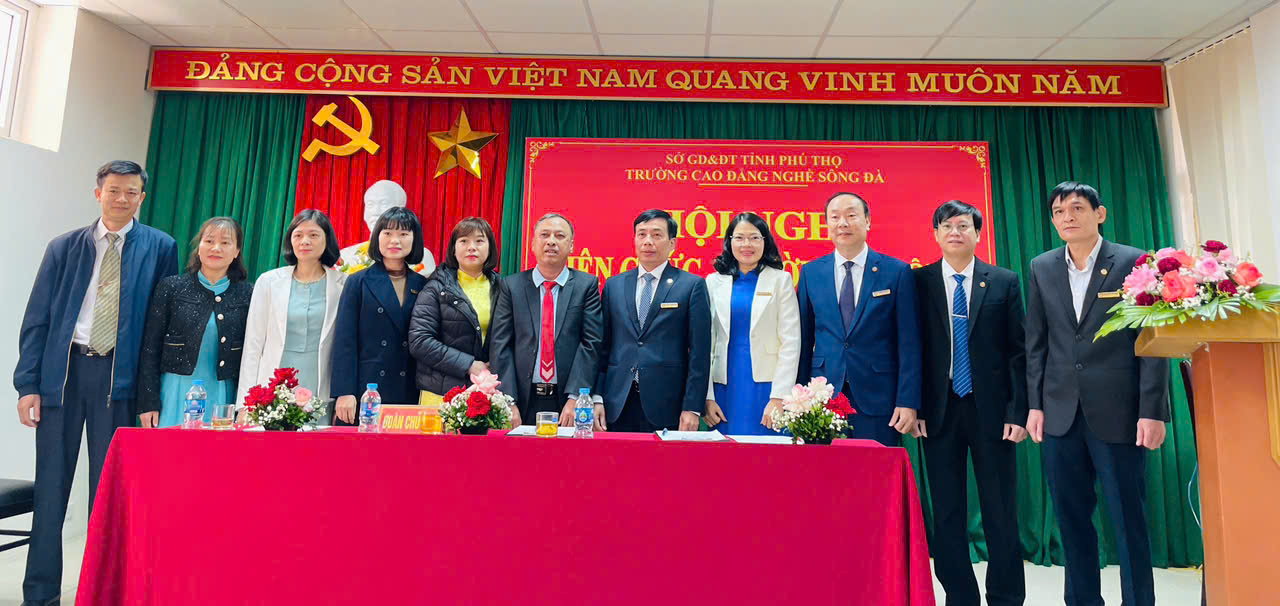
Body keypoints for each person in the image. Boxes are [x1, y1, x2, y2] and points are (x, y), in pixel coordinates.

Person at [13, 160, 178, 605]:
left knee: (108, 497)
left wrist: (149, 392)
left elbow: (159, 327)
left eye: (131, 192)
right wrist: (28, 385)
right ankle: (40, 595)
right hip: (63, 377)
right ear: (98, 193)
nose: (122, 198)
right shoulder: (64, 247)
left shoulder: (161, 247)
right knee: (51, 492)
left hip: (119, 381)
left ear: (142, 197)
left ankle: (101, 593)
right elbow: (37, 319)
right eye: (114, 190)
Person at [1025, 181, 1170, 606]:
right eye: (1058, 212)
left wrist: (1152, 410)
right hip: (1060, 412)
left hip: (1120, 412)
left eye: (1076, 208)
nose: (1067, 217)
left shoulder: (1133, 261)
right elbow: (1037, 342)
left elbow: (1151, 339)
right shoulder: (1042, 266)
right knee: (1071, 520)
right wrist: (1035, 405)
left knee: (1128, 518)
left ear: (1099, 214)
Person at [913, 201, 1027, 606]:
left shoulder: (1003, 281)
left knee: (1000, 509)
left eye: (963, 226)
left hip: (992, 412)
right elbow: (913, 349)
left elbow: (1018, 351)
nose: (955, 232)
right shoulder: (919, 282)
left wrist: (1018, 411)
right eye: (946, 226)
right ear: (935, 235)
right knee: (947, 512)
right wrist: (916, 407)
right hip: (939, 411)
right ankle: (960, 596)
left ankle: (1006, 596)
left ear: (978, 233)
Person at [796, 192, 921, 446]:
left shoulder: (896, 271)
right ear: (826, 224)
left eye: (851, 215)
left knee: (875, 469)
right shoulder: (811, 272)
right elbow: (803, 341)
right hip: (823, 397)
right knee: (825, 469)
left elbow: (909, 343)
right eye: (835, 217)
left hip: (879, 397)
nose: (843, 223)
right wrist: (799, 398)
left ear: (868, 221)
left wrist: (907, 401)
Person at [595, 209, 711, 432]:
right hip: (617, 402)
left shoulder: (691, 285)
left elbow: (700, 353)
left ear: (672, 243)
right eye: (642, 234)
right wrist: (597, 397)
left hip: (667, 404)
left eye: (656, 235)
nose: (648, 241)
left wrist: (692, 407)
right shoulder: (614, 285)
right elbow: (603, 347)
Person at [490, 213, 603, 428]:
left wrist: (576, 397)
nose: (551, 241)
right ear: (533, 244)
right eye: (545, 235)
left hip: (568, 401)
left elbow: (591, 343)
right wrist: (508, 400)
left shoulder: (586, 286)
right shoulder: (511, 286)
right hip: (522, 399)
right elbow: (500, 345)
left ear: (571, 246)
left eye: (559, 236)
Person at [138, 217, 253, 427]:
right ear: (199, 247)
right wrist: (148, 401)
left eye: (225, 242)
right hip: (174, 390)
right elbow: (150, 348)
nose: (216, 248)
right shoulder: (171, 288)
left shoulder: (248, 294)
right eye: (209, 241)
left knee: (216, 447)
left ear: (237, 251)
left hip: (222, 393)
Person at [237, 210, 347, 417]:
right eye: (298, 235)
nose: (305, 241)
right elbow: (253, 344)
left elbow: (347, 346)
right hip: (274, 382)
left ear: (327, 240)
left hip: (321, 383)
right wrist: (245, 402)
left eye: (313, 235)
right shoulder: (268, 282)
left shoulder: (343, 284)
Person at [704, 212, 800, 436]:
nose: (746, 244)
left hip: (767, 387)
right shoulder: (713, 282)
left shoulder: (781, 280)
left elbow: (791, 342)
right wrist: (707, 397)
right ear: (729, 242)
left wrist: (779, 396)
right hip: (723, 386)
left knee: (768, 451)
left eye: (754, 238)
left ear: (765, 242)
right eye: (739, 238)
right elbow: (705, 344)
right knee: (726, 450)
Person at [331, 207, 429, 423]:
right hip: (366, 390)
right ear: (377, 237)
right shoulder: (358, 281)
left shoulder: (423, 284)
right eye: (387, 233)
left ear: (415, 239)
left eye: (403, 234)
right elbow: (345, 341)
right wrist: (344, 391)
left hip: (409, 388)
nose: (395, 240)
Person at [409, 217, 507, 411]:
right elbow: (419, 341)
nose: (472, 247)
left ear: (490, 248)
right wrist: (469, 365)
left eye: (479, 241)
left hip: (488, 391)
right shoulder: (436, 287)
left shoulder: (503, 287)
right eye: (463, 241)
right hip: (441, 392)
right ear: (453, 248)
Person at [339, 180, 436, 276]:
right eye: (370, 204)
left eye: (384, 203)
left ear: (401, 210)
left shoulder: (421, 256)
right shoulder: (345, 256)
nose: (376, 211)